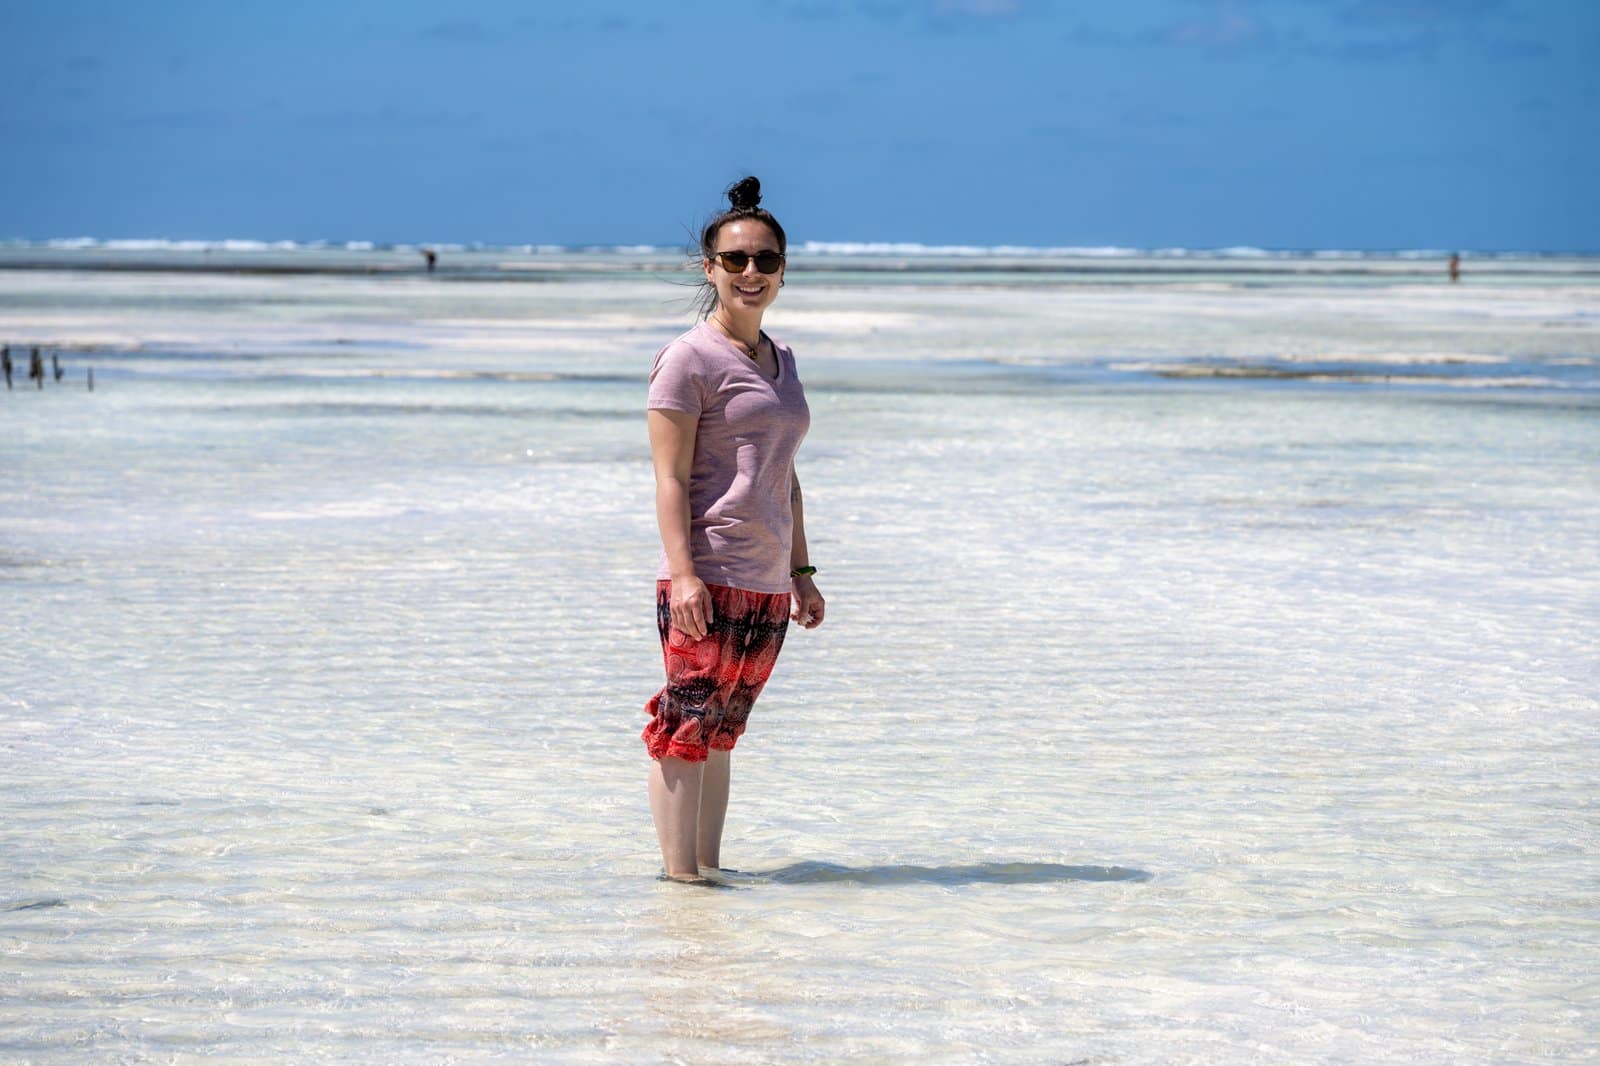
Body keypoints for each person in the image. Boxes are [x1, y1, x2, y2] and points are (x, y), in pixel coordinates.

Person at [643, 176, 825, 883]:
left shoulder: (783, 361)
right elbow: (669, 478)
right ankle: (680, 883)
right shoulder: (688, 358)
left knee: (721, 732)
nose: (752, 273)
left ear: (783, 270)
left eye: (766, 260)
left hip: (766, 579)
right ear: (710, 268)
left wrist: (801, 573)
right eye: (737, 259)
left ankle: (708, 875)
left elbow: (786, 476)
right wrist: (685, 574)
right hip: (707, 574)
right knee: (683, 728)